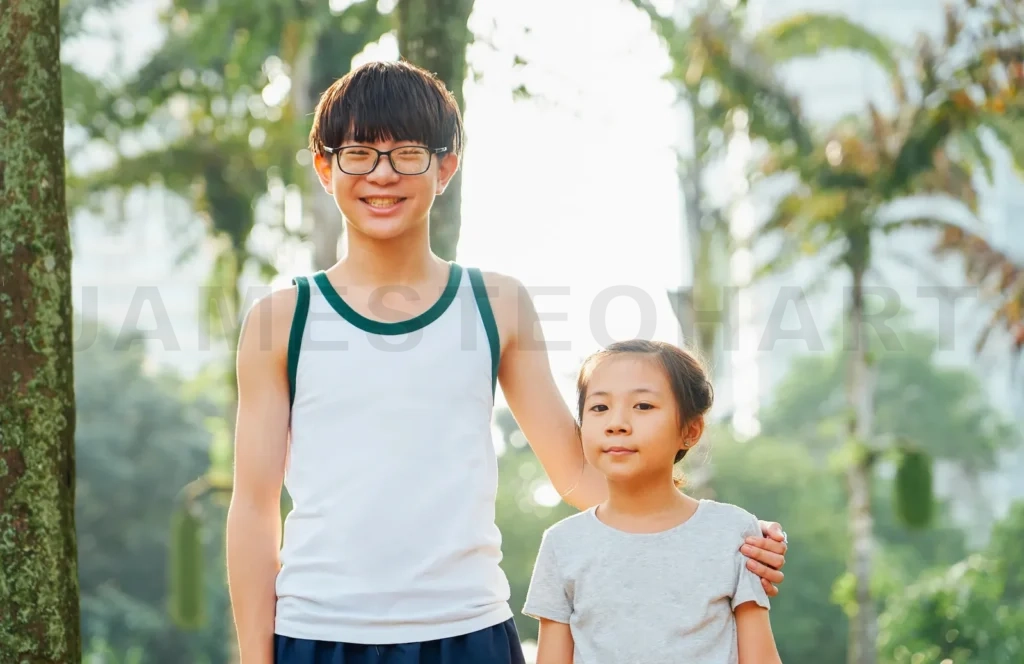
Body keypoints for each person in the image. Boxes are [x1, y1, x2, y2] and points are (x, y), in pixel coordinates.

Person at [225, 59, 789, 664]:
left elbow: (578, 473)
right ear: (324, 166)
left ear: (447, 165)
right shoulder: (282, 319)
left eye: (408, 153)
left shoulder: (497, 304)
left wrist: (722, 535)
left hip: (469, 633)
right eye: (359, 153)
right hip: (319, 633)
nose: (382, 175)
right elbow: (256, 510)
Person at [523, 339, 783, 664]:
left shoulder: (734, 533)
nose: (616, 423)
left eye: (643, 406)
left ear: (690, 430)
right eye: (599, 408)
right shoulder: (561, 544)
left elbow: (760, 658)